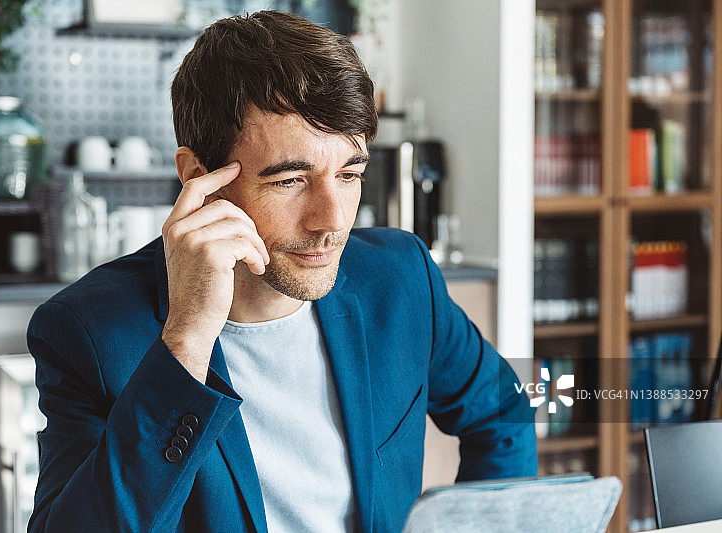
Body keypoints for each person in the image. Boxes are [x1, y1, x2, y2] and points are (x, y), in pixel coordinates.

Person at [28, 10, 536, 533]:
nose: (332, 222)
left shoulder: (402, 279)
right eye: (291, 180)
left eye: (349, 174)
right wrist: (186, 341)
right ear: (198, 178)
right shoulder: (88, 331)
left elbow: (503, 414)